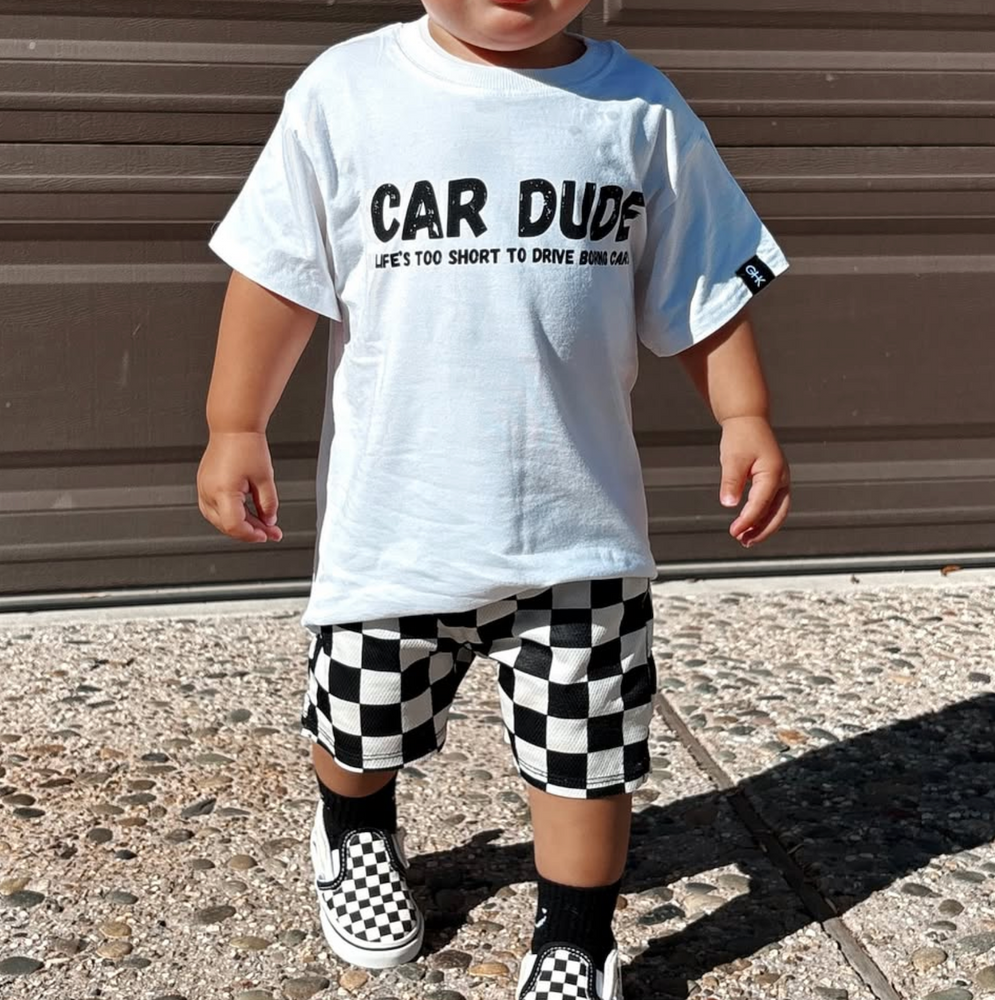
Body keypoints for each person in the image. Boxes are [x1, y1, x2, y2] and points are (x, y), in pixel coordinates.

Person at [196, 2, 791, 997]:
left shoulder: (636, 109)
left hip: (578, 531)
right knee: (358, 725)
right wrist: (234, 425)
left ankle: (574, 935)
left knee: (586, 759)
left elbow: (701, 284)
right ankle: (351, 826)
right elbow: (276, 276)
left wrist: (745, 412)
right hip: (399, 528)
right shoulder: (347, 94)